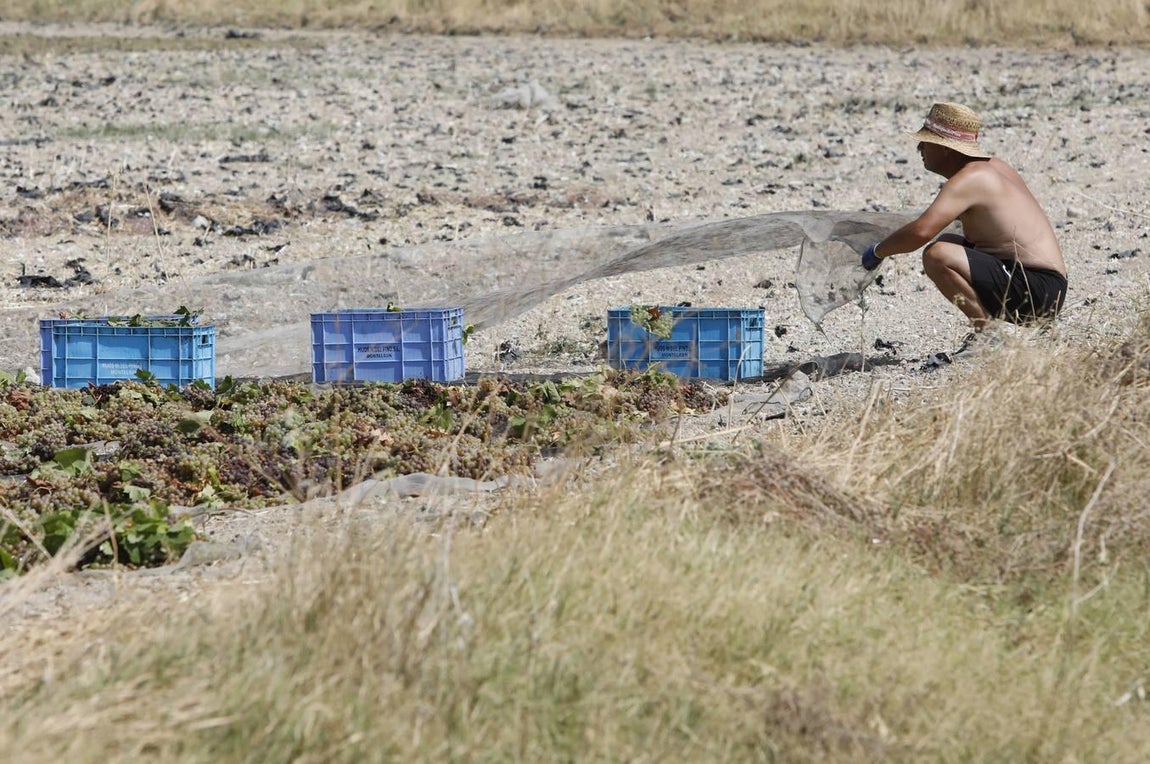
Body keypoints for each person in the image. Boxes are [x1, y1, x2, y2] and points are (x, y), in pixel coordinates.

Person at [861, 102, 1067, 332]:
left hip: (1037, 290)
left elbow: (921, 231)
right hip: (1048, 287)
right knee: (949, 241)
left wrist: (877, 251)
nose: (920, 148)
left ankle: (987, 335)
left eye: (927, 142)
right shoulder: (993, 166)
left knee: (937, 255)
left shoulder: (970, 179)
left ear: (946, 148)